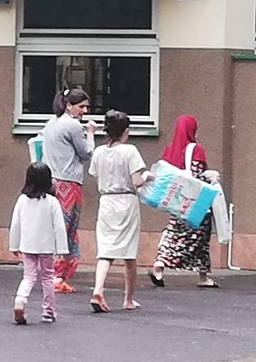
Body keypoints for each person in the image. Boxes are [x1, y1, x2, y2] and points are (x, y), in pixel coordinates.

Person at [88, 109, 152, 313]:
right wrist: (148, 177)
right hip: (126, 201)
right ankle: (128, 299)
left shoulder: (98, 152)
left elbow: (95, 175)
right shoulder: (130, 151)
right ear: (125, 131)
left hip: (106, 201)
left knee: (105, 251)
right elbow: (136, 181)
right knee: (129, 254)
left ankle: (98, 290)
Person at [149, 113, 219, 290]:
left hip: (176, 203)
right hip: (195, 203)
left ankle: (160, 264)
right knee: (200, 238)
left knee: (174, 234)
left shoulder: (169, 149)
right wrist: (210, 177)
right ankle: (202, 276)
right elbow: (196, 177)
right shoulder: (196, 149)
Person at [39, 88, 93, 294]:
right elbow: (86, 153)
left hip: (52, 180)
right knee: (68, 228)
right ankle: (59, 274)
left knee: (56, 227)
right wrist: (90, 134)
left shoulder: (51, 123)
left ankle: (50, 272)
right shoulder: (72, 126)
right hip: (69, 182)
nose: (84, 111)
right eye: (81, 106)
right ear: (69, 105)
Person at [8, 161, 69, 326]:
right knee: (48, 277)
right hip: (46, 247)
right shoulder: (51, 202)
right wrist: (62, 248)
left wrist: (14, 245)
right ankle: (48, 311)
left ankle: (20, 300)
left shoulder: (22, 200)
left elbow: (16, 224)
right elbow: (59, 227)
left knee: (28, 277)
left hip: (27, 245)